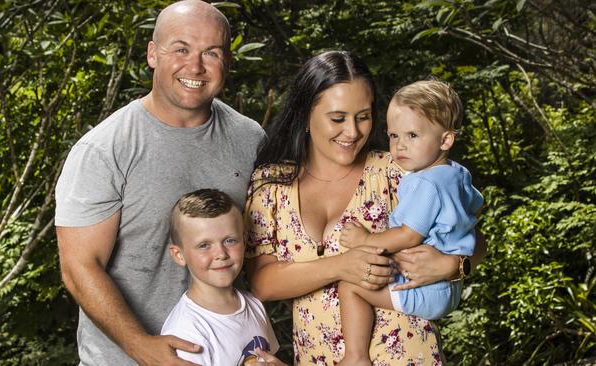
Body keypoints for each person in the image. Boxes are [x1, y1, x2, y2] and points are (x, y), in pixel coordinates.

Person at [54, 1, 265, 365]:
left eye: (211, 52)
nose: (195, 66)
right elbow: (79, 267)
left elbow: (264, 248)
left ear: (226, 61)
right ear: (153, 53)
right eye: (180, 49)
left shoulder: (250, 139)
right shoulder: (105, 148)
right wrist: (140, 346)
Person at [245, 50, 487, 365]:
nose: (353, 132)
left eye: (363, 116)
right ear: (305, 115)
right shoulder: (272, 184)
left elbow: (471, 236)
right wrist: (342, 265)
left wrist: (454, 265)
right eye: (337, 118)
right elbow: (262, 283)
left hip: (409, 354)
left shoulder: (398, 171)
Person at [337, 80, 484, 366]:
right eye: (393, 135)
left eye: (413, 135)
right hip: (447, 288)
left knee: (350, 285)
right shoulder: (456, 174)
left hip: (423, 288)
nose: (399, 145)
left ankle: (354, 358)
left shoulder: (426, 183)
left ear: (446, 140)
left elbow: (408, 236)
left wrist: (365, 240)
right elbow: (472, 213)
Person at [161, 188, 281, 365]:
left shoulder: (254, 305)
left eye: (230, 240)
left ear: (244, 240)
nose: (221, 254)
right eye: (204, 245)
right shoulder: (186, 331)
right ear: (179, 255)